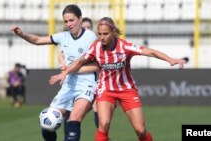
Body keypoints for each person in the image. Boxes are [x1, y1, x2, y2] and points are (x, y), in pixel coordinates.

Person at [49, 17, 186, 141]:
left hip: (127, 89)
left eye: (105, 34)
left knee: (141, 130)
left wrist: (170, 60)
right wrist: (65, 72)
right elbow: (79, 62)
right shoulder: (96, 47)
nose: (102, 37)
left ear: (113, 32)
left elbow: (150, 52)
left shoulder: (125, 46)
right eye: (100, 34)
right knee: (103, 124)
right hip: (106, 90)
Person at [11, 5, 98, 141]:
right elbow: (38, 40)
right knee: (47, 122)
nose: (69, 24)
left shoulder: (91, 37)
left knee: (72, 120)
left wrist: (70, 70)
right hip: (69, 84)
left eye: (71, 20)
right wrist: (22, 34)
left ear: (80, 19)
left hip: (87, 84)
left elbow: (98, 65)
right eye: (66, 21)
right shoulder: (63, 36)